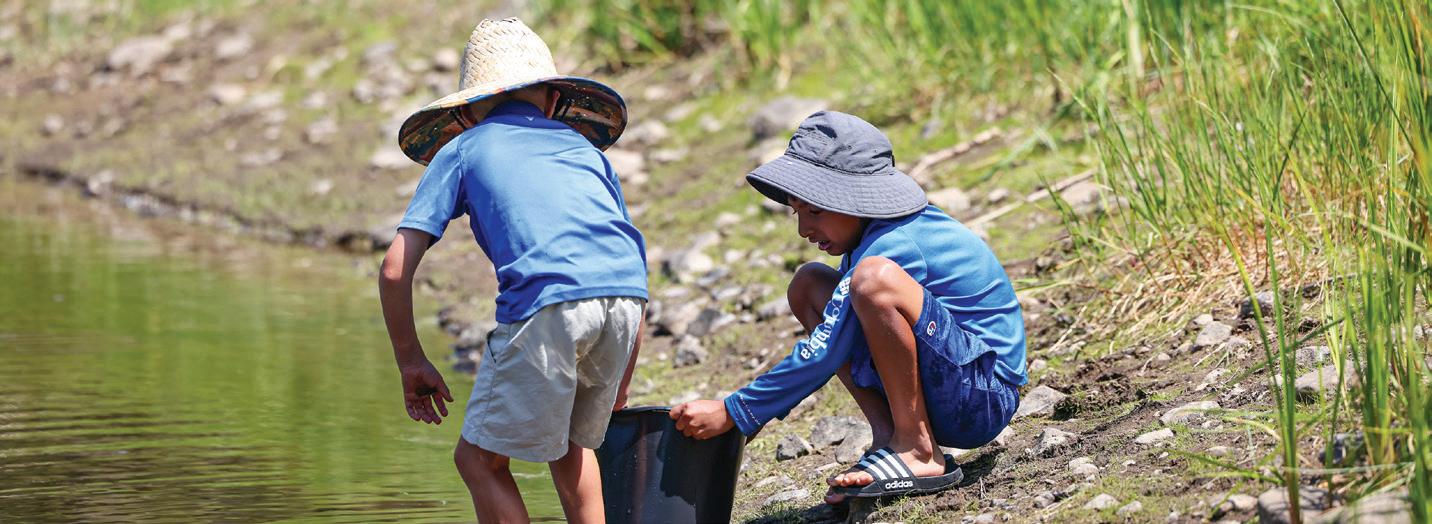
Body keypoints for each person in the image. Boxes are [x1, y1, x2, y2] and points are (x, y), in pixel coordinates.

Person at [670, 111, 1026, 503]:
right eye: (797, 212)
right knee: (808, 286)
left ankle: (918, 450)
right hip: (951, 384)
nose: (804, 229)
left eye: (815, 211)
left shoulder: (895, 244)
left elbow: (826, 349)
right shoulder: (870, 241)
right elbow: (837, 332)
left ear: (855, 198)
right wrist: (747, 419)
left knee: (872, 281)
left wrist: (738, 411)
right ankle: (891, 438)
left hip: (983, 396)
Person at [378, 18, 646, 523]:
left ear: (467, 112)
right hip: (627, 304)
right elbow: (628, 261)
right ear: (553, 100)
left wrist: (410, 360)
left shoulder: (463, 148)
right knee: (573, 444)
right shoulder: (585, 150)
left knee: (478, 460)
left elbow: (395, 269)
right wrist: (623, 378)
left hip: (547, 306)